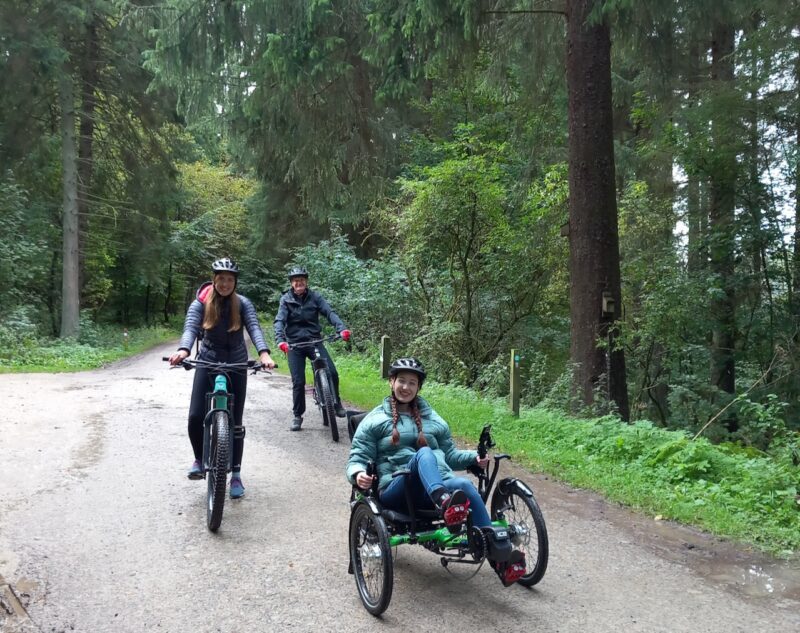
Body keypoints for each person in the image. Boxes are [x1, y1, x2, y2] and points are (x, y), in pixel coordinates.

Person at [346, 357, 526, 586]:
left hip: (433, 487)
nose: (406, 387)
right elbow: (357, 457)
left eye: (412, 383)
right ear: (391, 382)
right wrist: (358, 473)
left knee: (464, 486)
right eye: (401, 381)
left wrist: (474, 457)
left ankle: (500, 559)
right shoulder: (374, 420)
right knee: (425, 454)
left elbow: (450, 456)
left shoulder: (433, 419)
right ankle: (444, 502)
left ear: (418, 387)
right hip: (397, 490)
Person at [169, 258, 276, 499]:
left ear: (235, 282)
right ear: (214, 280)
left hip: (237, 362)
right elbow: (190, 329)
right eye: (221, 279)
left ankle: (235, 474)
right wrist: (184, 350)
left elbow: (255, 329)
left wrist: (264, 353)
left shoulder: (243, 304)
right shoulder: (200, 304)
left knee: (236, 423)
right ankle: (198, 459)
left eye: (230, 279)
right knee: (195, 416)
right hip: (207, 360)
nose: (225, 283)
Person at [273, 266, 351, 431]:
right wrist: (281, 340)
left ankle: (335, 402)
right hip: (295, 345)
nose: (299, 282)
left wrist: (341, 328)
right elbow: (279, 321)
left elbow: (329, 312)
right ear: (292, 283)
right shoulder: (286, 300)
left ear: (306, 281)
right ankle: (297, 415)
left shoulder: (315, 297)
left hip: (315, 341)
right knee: (298, 381)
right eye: (295, 280)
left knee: (332, 371)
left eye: (301, 279)